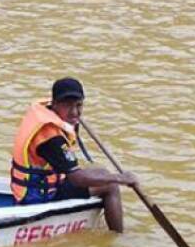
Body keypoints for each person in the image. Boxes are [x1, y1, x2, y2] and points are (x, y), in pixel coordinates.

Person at [10, 77, 137, 232]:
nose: (75, 112)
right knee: (110, 185)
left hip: (42, 187)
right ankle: (117, 237)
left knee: (101, 171)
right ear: (55, 104)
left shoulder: (47, 112)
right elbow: (77, 179)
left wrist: (71, 115)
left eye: (79, 105)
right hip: (39, 197)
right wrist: (120, 178)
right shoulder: (50, 137)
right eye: (68, 106)